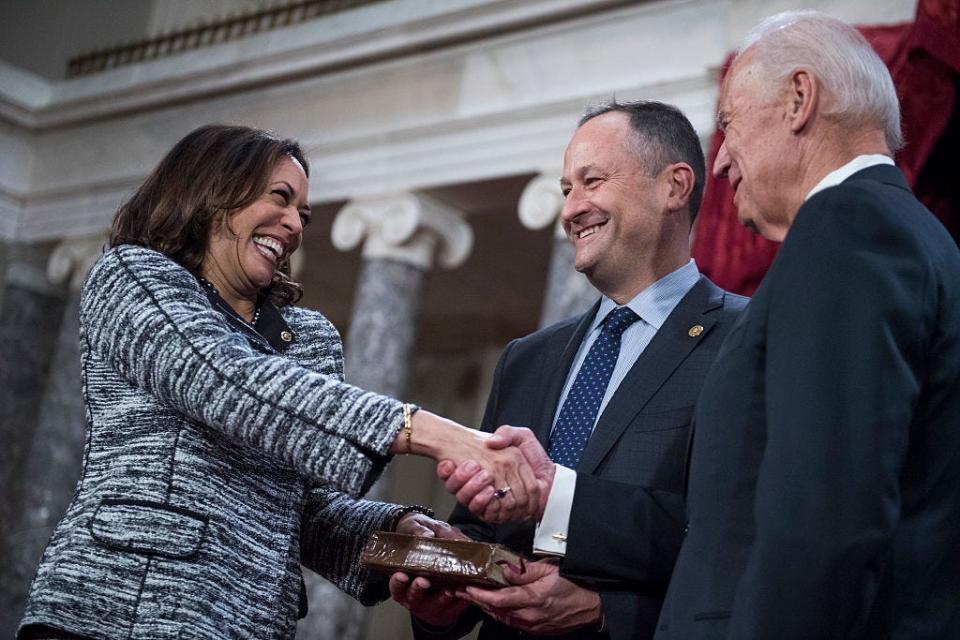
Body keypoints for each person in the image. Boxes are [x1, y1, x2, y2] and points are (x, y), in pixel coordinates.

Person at [16, 124, 544, 640]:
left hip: (252, 620)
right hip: (117, 611)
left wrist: (407, 539)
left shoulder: (309, 338)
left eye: (302, 213)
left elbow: (305, 509)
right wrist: (435, 433)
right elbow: (228, 380)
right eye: (280, 198)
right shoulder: (131, 276)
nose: (294, 223)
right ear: (211, 193)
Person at [648, 11, 960, 639]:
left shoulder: (848, 229)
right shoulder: (902, 234)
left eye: (729, 126)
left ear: (799, 98)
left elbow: (826, 519)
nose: (724, 161)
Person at [390, 101, 748, 640]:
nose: (571, 209)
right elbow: (480, 530)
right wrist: (445, 600)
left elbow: (734, 541)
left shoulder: (746, 339)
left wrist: (605, 610)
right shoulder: (526, 359)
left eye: (592, 182)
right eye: (566, 191)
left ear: (674, 187)